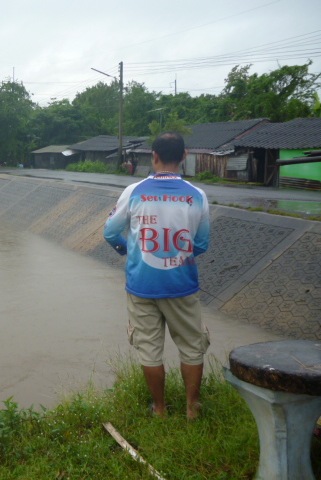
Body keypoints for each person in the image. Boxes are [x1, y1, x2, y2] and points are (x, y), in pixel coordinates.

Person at [103, 132, 210, 420]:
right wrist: (176, 257)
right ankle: (192, 408)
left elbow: (110, 231)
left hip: (142, 285)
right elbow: (201, 243)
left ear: (154, 156)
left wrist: (131, 252)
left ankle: (160, 409)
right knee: (191, 346)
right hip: (182, 284)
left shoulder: (133, 191)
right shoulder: (198, 195)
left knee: (149, 349)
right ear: (184, 157)